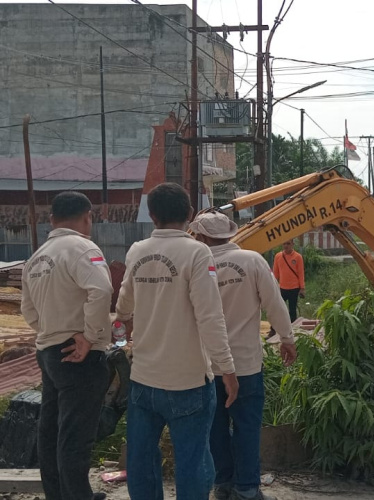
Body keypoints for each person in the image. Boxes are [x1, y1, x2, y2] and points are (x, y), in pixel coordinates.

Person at [114, 183, 239, 500]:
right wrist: (227, 369)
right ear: (190, 214)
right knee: (192, 462)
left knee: (142, 462)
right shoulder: (197, 252)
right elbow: (210, 317)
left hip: (144, 380)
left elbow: (124, 305)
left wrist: (129, 318)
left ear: (152, 215)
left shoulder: (137, 250)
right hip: (189, 382)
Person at [190, 212, 297, 500]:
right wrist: (287, 339)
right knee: (247, 427)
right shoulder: (252, 261)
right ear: (229, 233)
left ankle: (223, 484)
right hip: (246, 364)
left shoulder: (196, 263)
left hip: (207, 365)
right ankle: (247, 489)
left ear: (202, 236)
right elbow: (275, 303)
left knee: (215, 428)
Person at [21, 191, 112, 500]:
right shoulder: (82, 248)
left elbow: (28, 311)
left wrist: (50, 330)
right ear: (88, 217)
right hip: (77, 355)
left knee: (51, 431)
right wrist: (90, 335)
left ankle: (59, 494)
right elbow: (101, 289)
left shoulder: (36, 257)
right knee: (75, 435)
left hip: (48, 352)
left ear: (51, 220)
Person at [272, 239, 305, 323]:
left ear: (292, 244)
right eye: (284, 244)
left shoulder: (298, 257)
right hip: (282, 288)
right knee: (278, 308)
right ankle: (276, 327)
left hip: (294, 288)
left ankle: (292, 327)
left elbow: (301, 273)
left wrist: (302, 288)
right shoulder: (278, 256)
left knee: (292, 310)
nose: (286, 246)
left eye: (288, 243)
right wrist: (273, 286)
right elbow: (275, 273)